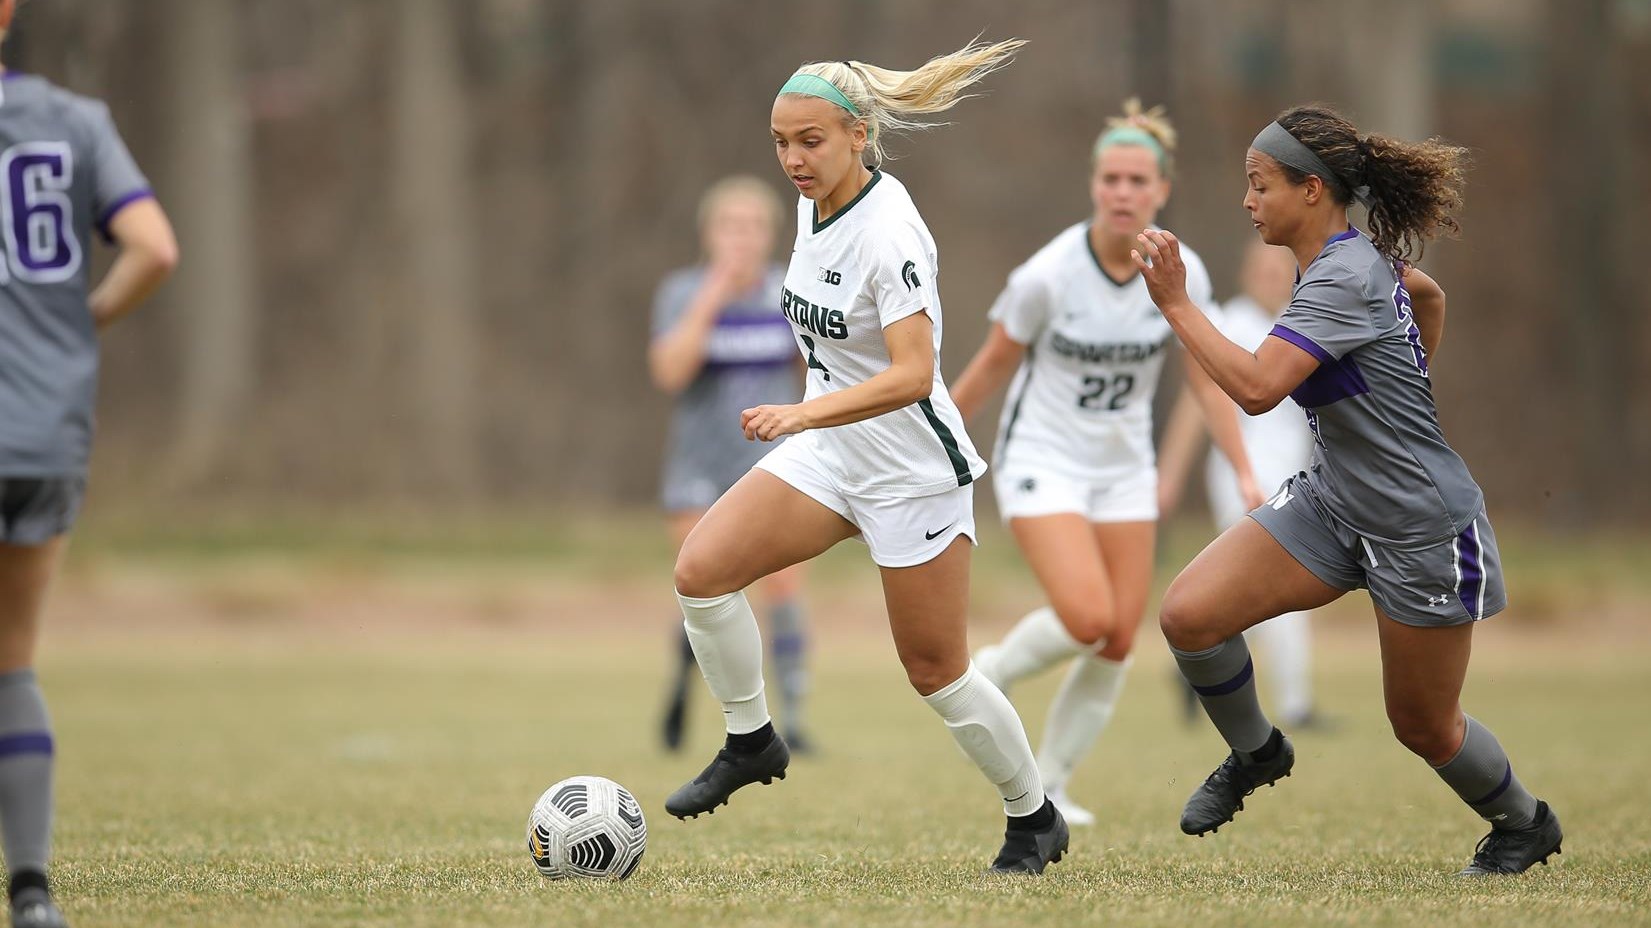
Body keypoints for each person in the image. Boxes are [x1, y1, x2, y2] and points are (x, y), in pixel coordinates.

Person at [664, 38, 1070, 874]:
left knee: (936, 673)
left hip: (909, 471)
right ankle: (752, 741)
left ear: (858, 135)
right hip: (828, 453)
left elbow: (914, 375)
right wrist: (811, 421)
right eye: (780, 142)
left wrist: (800, 410)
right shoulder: (814, 205)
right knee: (700, 572)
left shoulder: (890, 232)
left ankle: (1033, 817)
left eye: (809, 141)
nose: (792, 159)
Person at [1132, 104, 1562, 876]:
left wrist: (1174, 305)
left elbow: (1259, 389)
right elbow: (1426, 297)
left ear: (1310, 191)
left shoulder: (1340, 277)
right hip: (1336, 502)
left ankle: (1523, 824)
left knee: (1423, 727)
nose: (1246, 200)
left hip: (1419, 525)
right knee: (1190, 616)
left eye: (1258, 185)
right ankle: (1258, 753)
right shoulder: (1344, 263)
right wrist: (1403, 381)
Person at [949, 100, 1262, 828]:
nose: (1122, 192)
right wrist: (936, 439)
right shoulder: (1048, 275)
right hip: (1041, 461)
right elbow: (989, 367)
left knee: (1119, 636)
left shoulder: (1178, 274)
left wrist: (1242, 467)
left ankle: (1051, 784)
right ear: (1094, 185)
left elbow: (1204, 378)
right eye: (1111, 178)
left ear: (1160, 191)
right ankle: (989, 673)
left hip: (1122, 471)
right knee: (1087, 617)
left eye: (1137, 180)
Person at [0, 2, 181, 923]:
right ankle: (32, 895)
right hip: (43, 426)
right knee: (13, 660)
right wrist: (84, 317)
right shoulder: (76, 123)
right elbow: (153, 247)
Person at [649, 176, 813, 755]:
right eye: (729, 226)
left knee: (783, 588)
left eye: (753, 227)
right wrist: (713, 297)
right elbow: (669, 372)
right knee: (702, 584)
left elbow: (814, 372)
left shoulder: (790, 293)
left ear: (772, 236)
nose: (741, 239)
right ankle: (683, 693)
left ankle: (793, 720)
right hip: (697, 465)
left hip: (769, 468)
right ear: (709, 234)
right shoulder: (683, 292)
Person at [1156, 241, 1323, 729]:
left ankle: (1197, 658)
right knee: (1282, 578)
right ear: (1247, 274)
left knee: (1251, 589)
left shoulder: (1304, 325)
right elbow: (1197, 405)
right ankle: (1296, 704)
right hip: (1241, 475)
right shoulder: (1229, 324)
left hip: (1296, 475)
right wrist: (1170, 474)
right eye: (1262, 269)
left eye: (1280, 269)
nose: (1271, 277)